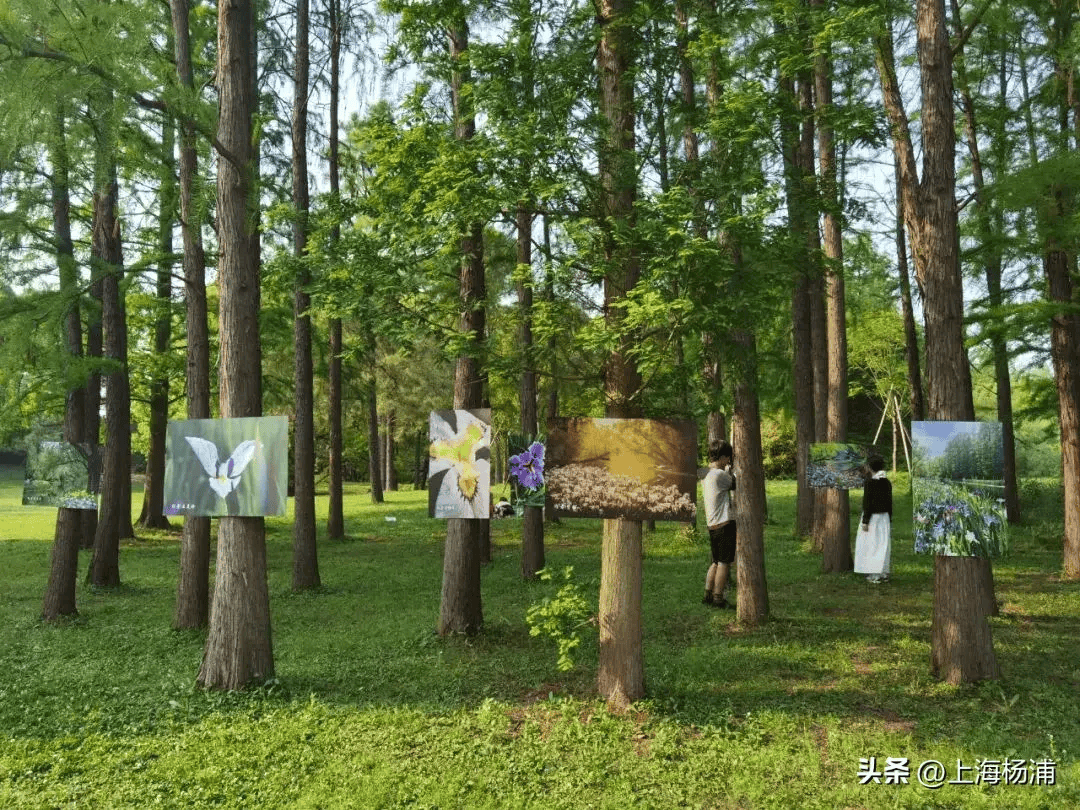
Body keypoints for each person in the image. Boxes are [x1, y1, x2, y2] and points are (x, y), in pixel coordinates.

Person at [702, 441, 736, 608]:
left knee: (715, 561)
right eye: (728, 457)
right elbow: (735, 484)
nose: (729, 460)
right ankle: (718, 598)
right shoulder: (720, 475)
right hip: (724, 524)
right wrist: (733, 471)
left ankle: (707, 593)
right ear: (723, 457)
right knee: (724, 562)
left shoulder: (708, 475)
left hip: (712, 525)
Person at [854, 455, 892, 583]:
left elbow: (868, 503)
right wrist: (889, 518)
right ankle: (884, 572)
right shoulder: (887, 482)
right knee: (883, 544)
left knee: (872, 545)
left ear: (870, 468)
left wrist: (865, 521)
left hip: (873, 519)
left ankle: (874, 573)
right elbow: (889, 502)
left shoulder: (870, 483)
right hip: (885, 517)